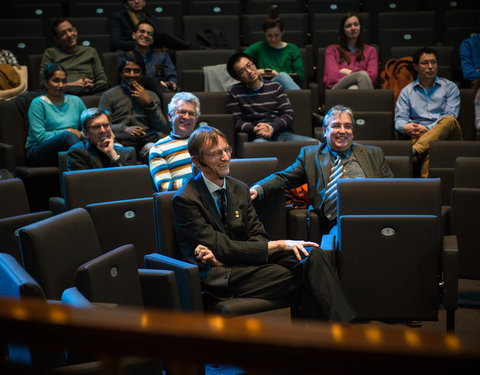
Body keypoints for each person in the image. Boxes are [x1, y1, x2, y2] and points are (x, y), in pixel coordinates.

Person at [172, 125, 357, 322]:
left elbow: (259, 236)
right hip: (216, 273)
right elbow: (220, 246)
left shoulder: (239, 189)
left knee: (312, 255)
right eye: (216, 154)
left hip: (238, 262)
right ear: (197, 161)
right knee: (308, 278)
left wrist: (226, 257)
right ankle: (343, 335)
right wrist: (281, 244)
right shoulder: (186, 199)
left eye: (227, 150)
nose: (225, 158)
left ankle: (332, 334)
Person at [251, 105, 393, 237]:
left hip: (373, 217)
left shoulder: (373, 154)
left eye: (347, 127)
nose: (342, 131)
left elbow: (391, 189)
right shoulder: (311, 155)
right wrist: (258, 189)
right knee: (346, 238)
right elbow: (284, 178)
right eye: (336, 126)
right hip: (338, 222)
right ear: (324, 131)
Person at [395, 47, 462, 178]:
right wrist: (406, 127)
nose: (430, 66)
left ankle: (414, 151)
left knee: (449, 119)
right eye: (425, 63)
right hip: (419, 135)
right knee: (432, 147)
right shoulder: (407, 91)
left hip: (448, 135)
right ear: (415, 66)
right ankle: (426, 189)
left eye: (434, 62)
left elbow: (451, 116)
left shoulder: (450, 87)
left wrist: (427, 129)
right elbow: (399, 120)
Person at [226, 52, 318, 143]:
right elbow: (237, 122)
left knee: (315, 144)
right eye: (242, 71)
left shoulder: (275, 86)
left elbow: (288, 114)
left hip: (283, 134)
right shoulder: (234, 92)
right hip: (258, 136)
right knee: (258, 147)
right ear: (238, 78)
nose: (249, 72)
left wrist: (272, 127)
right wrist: (255, 129)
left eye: (249, 65)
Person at [99, 51, 168, 163]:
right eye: (127, 70)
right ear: (121, 73)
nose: (131, 75)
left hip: (145, 142)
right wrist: (125, 129)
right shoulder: (109, 95)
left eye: (136, 71)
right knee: (120, 152)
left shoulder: (151, 96)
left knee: (154, 151)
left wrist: (149, 104)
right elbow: (101, 126)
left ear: (142, 74)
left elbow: (161, 127)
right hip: (119, 140)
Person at [26, 63, 85, 167]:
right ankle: (89, 171)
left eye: (64, 81)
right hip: (39, 151)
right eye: (56, 81)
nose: (61, 85)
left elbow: (89, 129)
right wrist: (68, 132)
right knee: (68, 136)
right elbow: (40, 137)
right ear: (45, 82)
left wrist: (81, 134)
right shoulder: (38, 103)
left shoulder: (76, 101)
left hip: (68, 147)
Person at [39, 18, 108, 95]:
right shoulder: (51, 53)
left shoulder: (90, 51)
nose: (69, 35)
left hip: (90, 90)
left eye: (70, 30)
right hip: (64, 90)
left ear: (75, 31)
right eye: (63, 34)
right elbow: (43, 83)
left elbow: (102, 79)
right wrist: (72, 84)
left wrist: (91, 85)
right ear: (57, 39)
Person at [243, 6, 303, 90]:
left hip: (286, 87)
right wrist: (255, 71)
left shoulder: (292, 49)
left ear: (282, 32)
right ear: (264, 33)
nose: (273, 39)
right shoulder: (258, 47)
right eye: (269, 36)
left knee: (282, 76)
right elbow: (239, 60)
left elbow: (300, 76)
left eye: (276, 35)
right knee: (281, 76)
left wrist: (277, 74)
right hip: (264, 86)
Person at [149, 92, 199, 191]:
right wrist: (197, 181)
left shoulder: (205, 141)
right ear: (169, 116)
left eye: (191, 114)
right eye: (182, 112)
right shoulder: (158, 149)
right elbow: (163, 187)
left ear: (196, 119)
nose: (186, 117)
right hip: (185, 200)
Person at [67, 107, 137, 170]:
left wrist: (112, 154)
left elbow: (129, 181)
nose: (103, 130)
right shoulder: (77, 153)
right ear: (86, 133)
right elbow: (85, 182)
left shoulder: (127, 153)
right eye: (96, 127)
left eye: (106, 125)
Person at [110, 0, 191, 52]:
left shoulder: (152, 18)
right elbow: (115, 42)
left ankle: (188, 49)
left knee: (165, 43)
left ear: (144, 2)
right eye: (132, 0)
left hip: (152, 46)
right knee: (161, 34)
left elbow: (157, 38)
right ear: (126, 4)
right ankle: (188, 47)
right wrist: (139, 44)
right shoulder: (119, 17)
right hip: (132, 48)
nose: (137, 1)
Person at [323, 12, 377, 90]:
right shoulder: (332, 50)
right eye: (348, 26)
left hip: (360, 89)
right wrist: (357, 75)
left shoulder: (371, 51)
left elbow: (372, 78)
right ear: (343, 30)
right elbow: (332, 78)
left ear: (360, 27)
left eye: (356, 24)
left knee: (353, 88)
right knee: (362, 75)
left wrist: (349, 72)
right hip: (336, 90)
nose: (353, 28)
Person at [131, 20, 178, 98]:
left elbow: (171, 75)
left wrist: (171, 83)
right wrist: (158, 83)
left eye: (149, 33)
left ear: (152, 40)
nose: (145, 35)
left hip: (159, 92)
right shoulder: (126, 56)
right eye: (142, 31)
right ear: (134, 35)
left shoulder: (162, 55)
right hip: (135, 91)